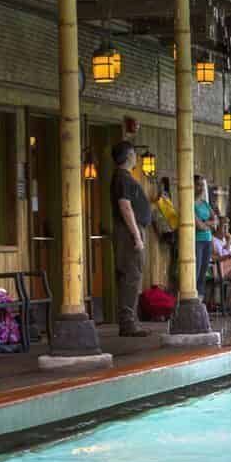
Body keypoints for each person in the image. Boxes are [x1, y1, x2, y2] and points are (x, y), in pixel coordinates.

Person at [108, 142, 151, 337]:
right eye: (134, 153)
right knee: (131, 275)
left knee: (132, 274)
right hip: (128, 231)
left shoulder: (124, 177)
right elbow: (125, 206)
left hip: (131, 229)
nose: (136, 157)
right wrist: (136, 235)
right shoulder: (122, 178)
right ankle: (128, 323)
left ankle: (131, 320)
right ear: (128, 156)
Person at [192, 175, 217, 297]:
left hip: (207, 240)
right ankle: (192, 297)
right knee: (196, 272)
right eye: (198, 185)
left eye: (202, 185)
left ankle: (200, 299)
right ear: (192, 185)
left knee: (203, 273)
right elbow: (199, 226)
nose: (201, 188)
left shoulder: (205, 204)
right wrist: (208, 224)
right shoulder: (190, 204)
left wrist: (205, 222)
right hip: (197, 241)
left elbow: (215, 220)